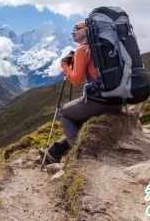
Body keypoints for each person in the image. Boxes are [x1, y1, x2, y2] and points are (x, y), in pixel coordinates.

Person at [39, 21, 123, 164]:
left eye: (77, 28)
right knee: (79, 117)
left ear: (87, 31)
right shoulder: (107, 48)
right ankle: (55, 151)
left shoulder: (82, 50)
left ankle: (79, 154)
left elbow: (76, 80)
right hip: (117, 101)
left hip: (99, 101)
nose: (73, 31)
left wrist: (64, 65)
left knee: (65, 114)